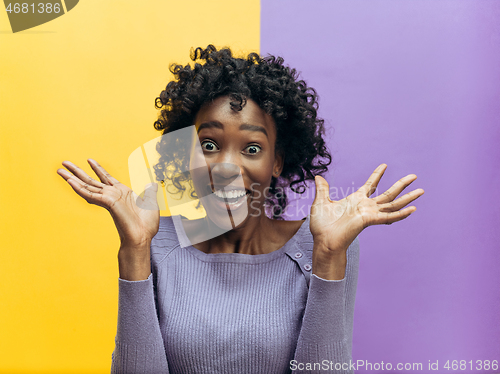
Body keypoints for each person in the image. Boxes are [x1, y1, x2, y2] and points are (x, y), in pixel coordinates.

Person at [56, 45, 424, 373]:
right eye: (210, 144)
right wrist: (134, 251)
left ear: (277, 161)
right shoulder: (153, 242)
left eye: (251, 148)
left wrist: (329, 256)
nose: (226, 167)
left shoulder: (322, 246)